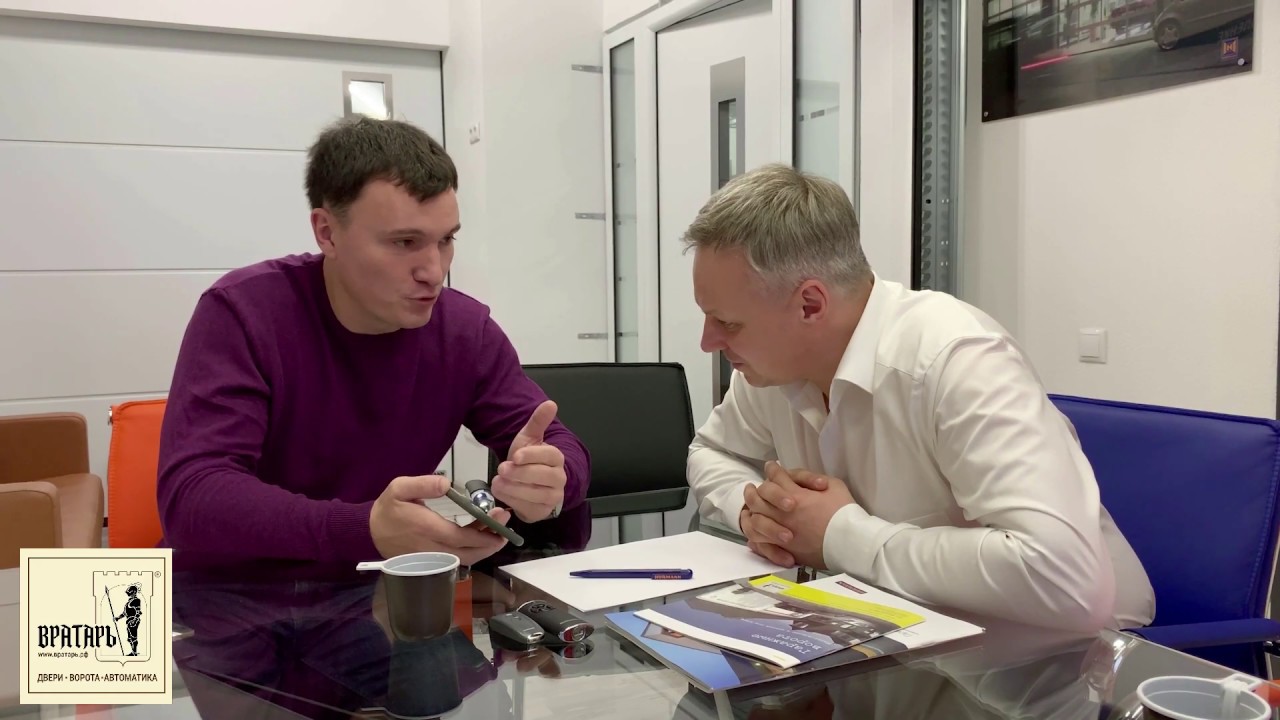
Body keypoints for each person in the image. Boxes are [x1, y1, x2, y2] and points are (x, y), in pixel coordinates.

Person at [684, 163, 1154, 633]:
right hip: (905, 629)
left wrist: (840, 536)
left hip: (1080, 651)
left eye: (728, 323)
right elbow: (712, 451)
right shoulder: (773, 369)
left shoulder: (957, 360)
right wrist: (754, 513)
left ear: (810, 304)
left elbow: (1065, 582)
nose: (709, 342)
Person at [157, 116, 590, 571]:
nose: (434, 271)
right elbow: (192, 497)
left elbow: (558, 441)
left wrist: (551, 477)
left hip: (372, 590)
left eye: (445, 240)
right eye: (404, 242)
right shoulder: (244, 312)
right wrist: (364, 529)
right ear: (327, 232)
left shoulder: (465, 331)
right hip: (223, 591)